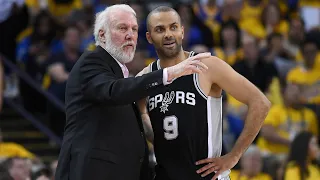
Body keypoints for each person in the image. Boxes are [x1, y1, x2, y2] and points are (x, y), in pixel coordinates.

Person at [55, 4, 210, 180]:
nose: (130, 35)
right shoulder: (91, 62)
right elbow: (113, 91)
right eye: (122, 28)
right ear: (102, 35)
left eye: (134, 29)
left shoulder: (121, 75)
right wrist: (169, 73)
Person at [137, 6, 271, 180]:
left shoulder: (208, 65)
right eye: (160, 29)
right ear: (149, 37)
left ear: (182, 31)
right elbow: (141, 114)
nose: (168, 34)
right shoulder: (144, 77)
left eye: (173, 27)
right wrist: (156, 136)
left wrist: (234, 156)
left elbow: (260, 102)